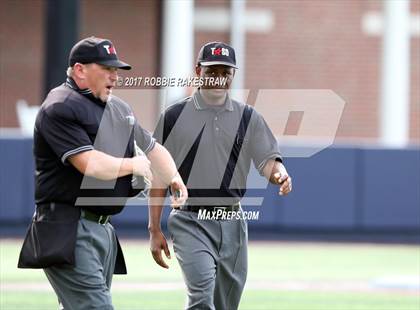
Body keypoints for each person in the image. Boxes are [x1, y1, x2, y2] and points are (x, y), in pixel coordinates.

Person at [18, 36, 187, 310]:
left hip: (101, 228)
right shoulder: (61, 105)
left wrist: (175, 178)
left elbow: (153, 148)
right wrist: (134, 165)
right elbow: (90, 165)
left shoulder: (117, 107)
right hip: (67, 226)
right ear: (80, 69)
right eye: (106, 68)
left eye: (116, 70)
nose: (114, 76)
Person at [148, 41, 292, 310]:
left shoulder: (248, 117)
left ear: (232, 75)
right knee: (201, 297)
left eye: (225, 72)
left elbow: (267, 161)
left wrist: (281, 174)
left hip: (232, 221)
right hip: (190, 219)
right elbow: (158, 177)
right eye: (212, 70)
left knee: (226, 304)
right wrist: (154, 228)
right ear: (198, 71)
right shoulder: (174, 116)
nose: (219, 78)